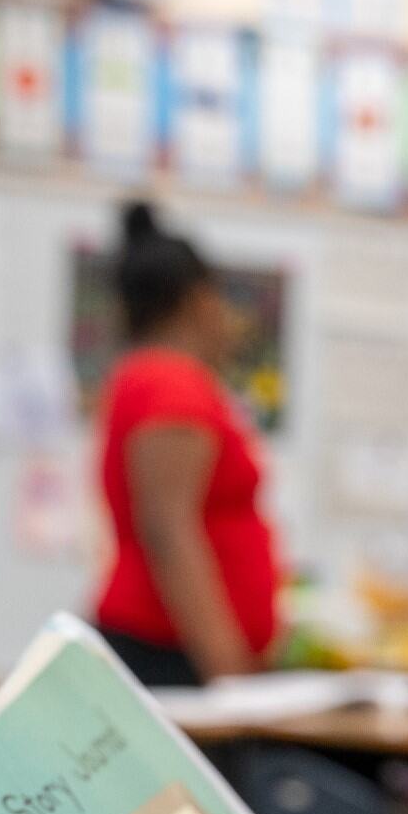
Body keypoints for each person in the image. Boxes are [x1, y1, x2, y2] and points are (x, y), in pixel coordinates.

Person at [90, 201, 281, 689]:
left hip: (163, 646)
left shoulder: (146, 376)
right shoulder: (173, 384)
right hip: (168, 653)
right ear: (200, 300)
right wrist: (225, 668)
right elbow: (167, 530)